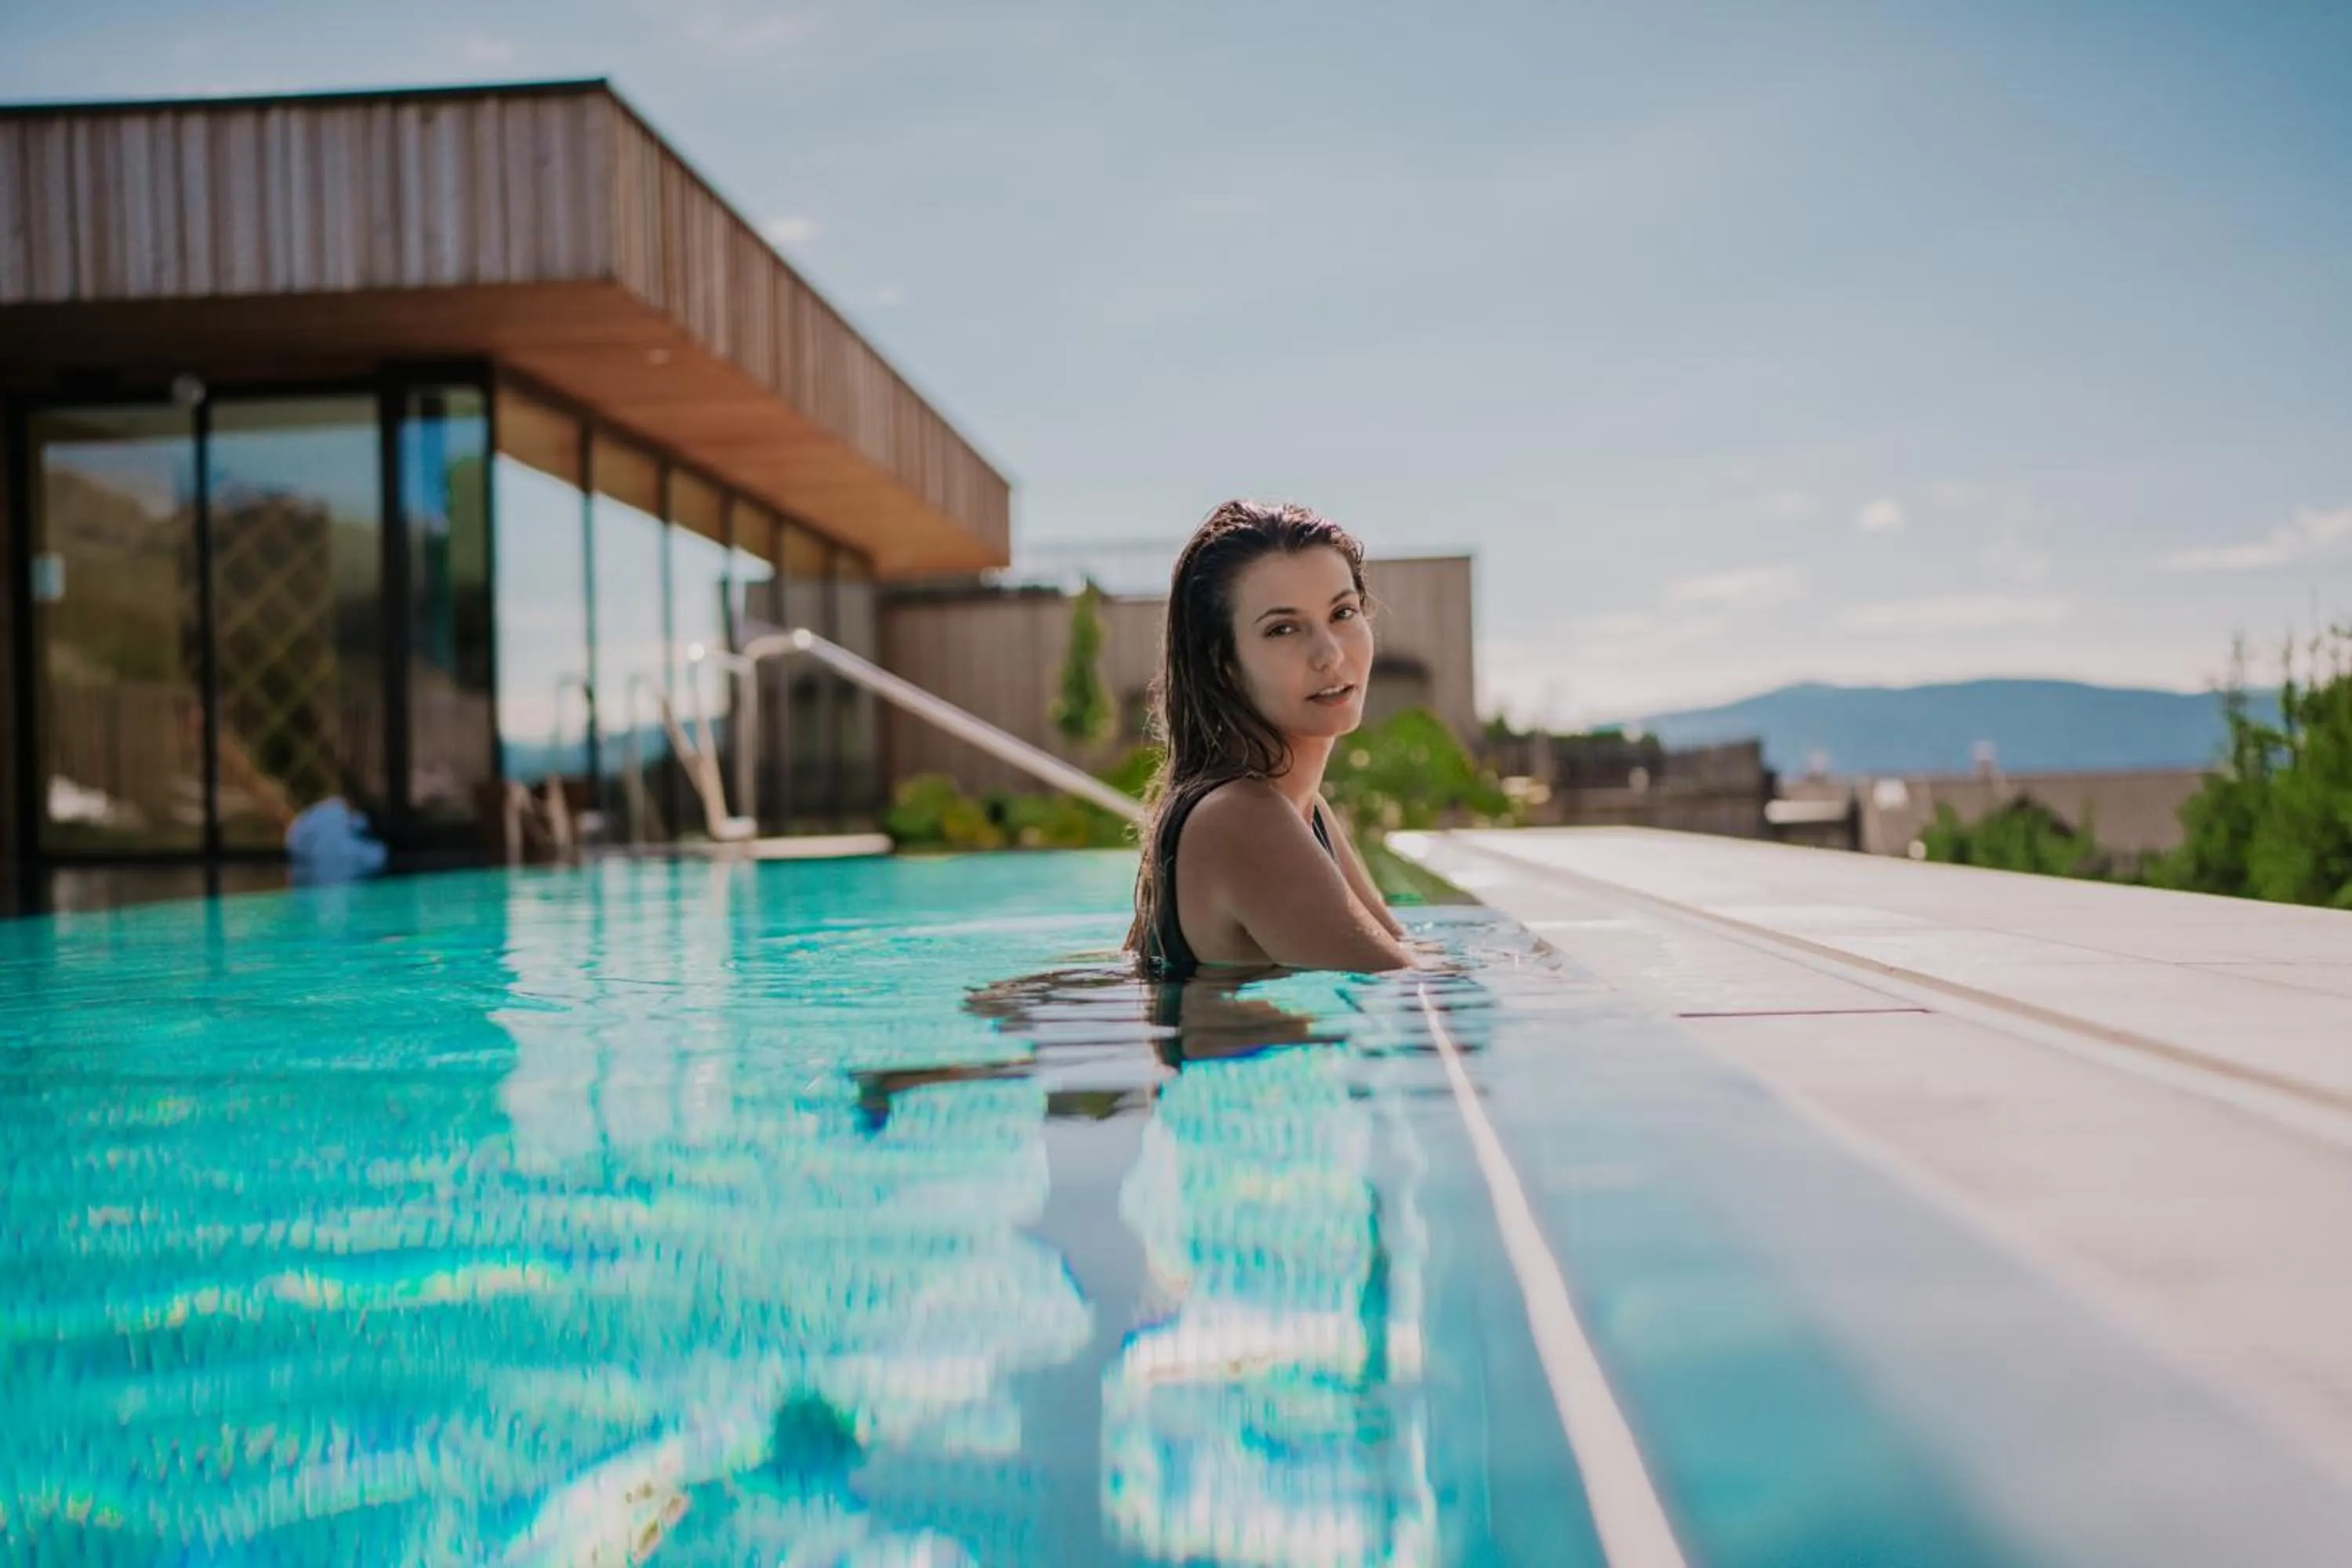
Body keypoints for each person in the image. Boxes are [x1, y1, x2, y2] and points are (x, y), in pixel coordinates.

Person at [1127, 499, 1417, 977]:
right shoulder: (1241, 817)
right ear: (1225, 663)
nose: (1328, 654)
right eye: (1283, 629)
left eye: (1342, 613)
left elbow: (1403, 948)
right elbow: (1405, 989)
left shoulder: (1303, 808)